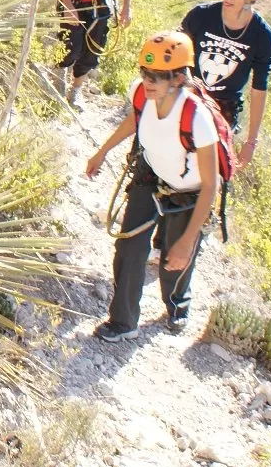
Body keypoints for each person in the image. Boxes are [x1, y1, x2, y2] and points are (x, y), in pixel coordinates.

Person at [84, 33, 221, 341]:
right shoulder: (141, 95)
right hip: (151, 175)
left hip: (191, 191)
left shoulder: (197, 118)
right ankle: (123, 321)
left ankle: (177, 305)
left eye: (158, 75)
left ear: (178, 77)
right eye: (145, 72)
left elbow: (211, 185)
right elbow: (135, 120)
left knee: (174, 258)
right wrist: (102, 151)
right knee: (129, 247)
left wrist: (187, 242)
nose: (149, 80)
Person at [181, 0, 271, 170]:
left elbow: (259, 89)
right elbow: (178, 50)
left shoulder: (262, 36)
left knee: (210, 168)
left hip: (224, 107)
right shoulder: (201, 15)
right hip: (189, 92)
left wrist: (251, 141)